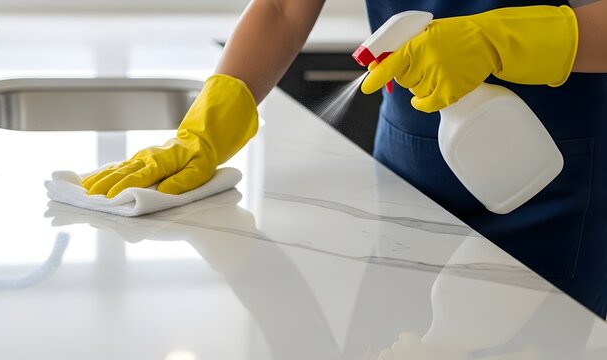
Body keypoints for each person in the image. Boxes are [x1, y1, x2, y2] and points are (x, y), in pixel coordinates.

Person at [82, 0, 607, 317]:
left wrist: (501, 41)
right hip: (406, 168)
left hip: (555, 175)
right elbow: (284, 7)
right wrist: (209, 126)